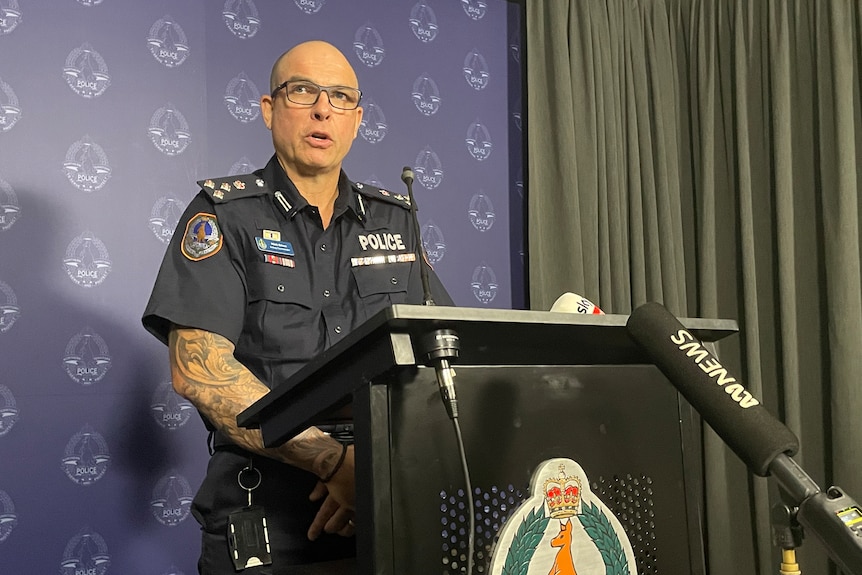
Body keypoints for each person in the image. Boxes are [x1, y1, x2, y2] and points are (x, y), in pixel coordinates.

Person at [142, 40, 453, 574]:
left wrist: (377, 471)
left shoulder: (396, 220)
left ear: (356, 120)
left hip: (394, 499)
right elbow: (201, 372)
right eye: (302, 90)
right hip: (267, 505)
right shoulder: (224, 214)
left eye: (340, 97)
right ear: (269, 110)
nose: (322, 108)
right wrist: (335, 463)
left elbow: (445, 355)